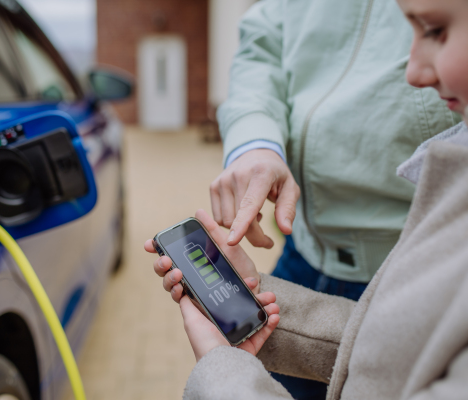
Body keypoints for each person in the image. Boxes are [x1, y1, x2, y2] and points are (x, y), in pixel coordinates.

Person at [144, 0, 468, 397]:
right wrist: (255, 141)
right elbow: (398, 352)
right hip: (304, 258)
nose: (413, 71)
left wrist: (220, 368)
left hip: (402, 266)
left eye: (434, 30)